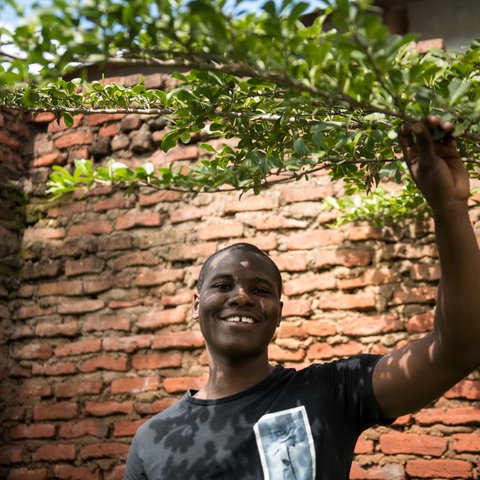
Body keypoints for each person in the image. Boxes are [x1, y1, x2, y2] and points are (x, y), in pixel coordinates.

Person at [125, 117, 480, 479]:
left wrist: (449, 206)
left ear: (278, 313)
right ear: (197, 303)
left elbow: (457, 349)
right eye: (223, 285)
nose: (242, 296)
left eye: (261, 290)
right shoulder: (153, 440)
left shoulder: (331, 393)